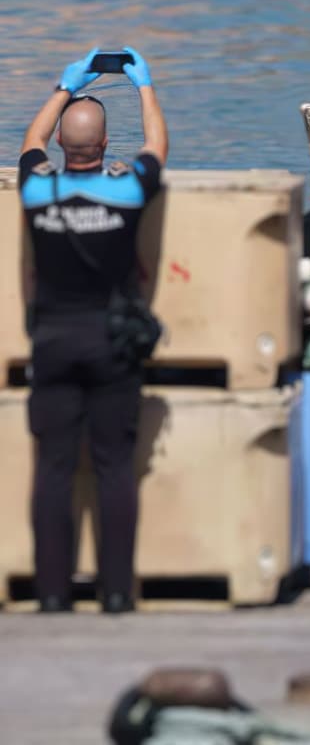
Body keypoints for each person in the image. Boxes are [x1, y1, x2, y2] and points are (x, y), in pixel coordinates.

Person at [20, 48, 167, 614]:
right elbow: (157, 148)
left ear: (62, 147)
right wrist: (143, 86)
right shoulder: (128, 190)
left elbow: (30, 143)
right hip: (110, 342)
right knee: (113, 467)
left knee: (53, 469)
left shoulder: (38, 191)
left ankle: (53, 594)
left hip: (54, 340)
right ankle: (114, 593)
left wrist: (63, 86)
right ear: (105, 148)